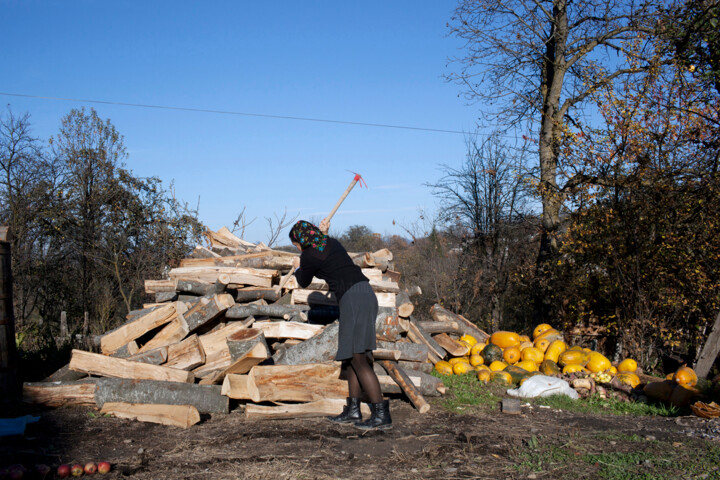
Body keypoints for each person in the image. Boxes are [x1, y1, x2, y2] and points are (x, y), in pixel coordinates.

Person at [290, 218, 391, 430]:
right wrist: (323, 233)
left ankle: (381, 414)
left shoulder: (308, 255)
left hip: (354, 298)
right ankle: (353, 410)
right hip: (361, 295)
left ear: (301, 240)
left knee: (359, 358)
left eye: (296, 244)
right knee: (350, 356)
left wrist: (298, 266)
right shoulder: (331, 242)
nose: (297, 248)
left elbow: (303, 281)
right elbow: (323, 249)